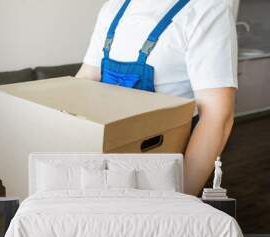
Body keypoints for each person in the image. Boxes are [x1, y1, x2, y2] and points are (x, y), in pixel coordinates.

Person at [76, 0, 238, 196]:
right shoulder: (114, 7)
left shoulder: (206, 9)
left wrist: (178, 196)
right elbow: (86, 78)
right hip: (107, 160)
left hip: (162, 166)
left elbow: (217, 116)